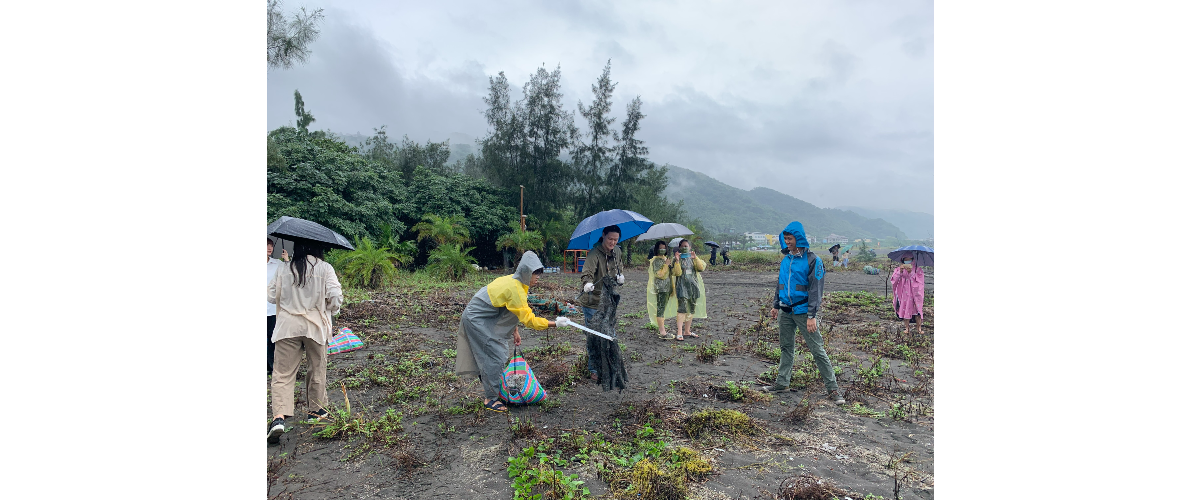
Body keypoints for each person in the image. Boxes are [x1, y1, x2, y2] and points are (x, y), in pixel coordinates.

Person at [456, 251, 565, 413]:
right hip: (477, 318)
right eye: (535, 274)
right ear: (526, 272)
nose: (538, 277)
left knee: (494, 354)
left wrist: (515, 331)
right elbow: (529, 320)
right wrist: (554, 323)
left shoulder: (518, 283)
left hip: (488, 317)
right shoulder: (516, 288)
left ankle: (490, 384)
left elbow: (511, 309)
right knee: (496, 355)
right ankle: (490, 399)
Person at [267, 240, 344, 443]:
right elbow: (335, 296)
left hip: (287, 326)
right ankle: (316, 412)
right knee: (316, 368)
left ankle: (278, 418)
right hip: (315, 326)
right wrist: (329, 308)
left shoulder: (284, 268)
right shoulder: (325, 268)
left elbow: (271, 295)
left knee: (282, 373)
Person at [763, 222, 844, 405]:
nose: (787, 242)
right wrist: (776, 305)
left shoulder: (813, 260)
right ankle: (782, 383)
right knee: (786, 348)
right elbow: (780, 284)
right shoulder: (786, 260)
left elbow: (816, 290)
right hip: (785, 311)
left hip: (803, 312)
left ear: (799, 239)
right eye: (785, 239)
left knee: (817, 350)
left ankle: (833, 389)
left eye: (790, 239)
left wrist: (811, 315)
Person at [580, 225, 624, 380]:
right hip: (592, 301)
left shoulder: (617, 251)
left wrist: (620, 277)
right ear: (603, 236)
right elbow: (587, 272)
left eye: (615, 239)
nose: (612, 242)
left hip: (609, 300)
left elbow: (619, 267)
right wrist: (587, 284)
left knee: (609, 334)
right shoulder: (594, 254)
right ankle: (594, 369)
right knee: (594, 336)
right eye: (610, 239)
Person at [671, 239, 707, 340]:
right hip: (681, 287)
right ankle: (679, 332)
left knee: (691, 309)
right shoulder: (676, 259)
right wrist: (677, 261)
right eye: (682, 246)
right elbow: (676, 273)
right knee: (682, 309)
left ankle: (687, 331)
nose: (684, 247)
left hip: (693, 287)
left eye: (686, 246)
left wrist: (695, 258)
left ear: (690, 247)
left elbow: (701, 268)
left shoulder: (693, 257)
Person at [645, 240, 677, 340]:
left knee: (662, 308)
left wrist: (674, 262)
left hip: (668, 287)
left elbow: (673, 273)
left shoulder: (665, 259)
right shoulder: (656, 261)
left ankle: (663, 329)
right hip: (661, 288)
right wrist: (666, 265)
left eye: (664, 248)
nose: (662, 250)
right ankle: (662, 332)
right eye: (660, 248)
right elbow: (660, 274)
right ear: (656, 249)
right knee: (661, 308)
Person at [891, 252, 926, 335]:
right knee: (905, 309)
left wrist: (911, 273)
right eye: (905, 260)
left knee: (917, 310)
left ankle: (919, 328)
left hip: (915, 294)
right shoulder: (898, 269)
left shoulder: (918, 269)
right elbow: (894, 280)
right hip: (904, 293)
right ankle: (907, 328)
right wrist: (900, 271)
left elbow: (920, 281)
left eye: (909, 260)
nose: (907, 262)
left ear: (913, 260)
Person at [266, 237, 284, 375]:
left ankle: (272, 365)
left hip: (272, 307)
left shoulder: (277, 263)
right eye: (267, 245)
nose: (269, 248)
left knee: (272, 338)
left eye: (271, 245)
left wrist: (287, 260)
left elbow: (288, 274)